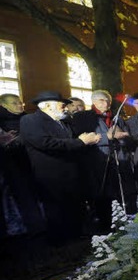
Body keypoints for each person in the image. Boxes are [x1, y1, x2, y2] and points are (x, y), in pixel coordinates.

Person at [20, 91, 101, 245]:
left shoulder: (63, 121)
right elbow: (45, 143)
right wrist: (81, 142)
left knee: (74, 206)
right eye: (62, 104)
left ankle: (77, 236)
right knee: (56, 210)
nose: (65, 107)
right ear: (47, 105)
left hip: (71, 172)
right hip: (51, 174)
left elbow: (70, 142)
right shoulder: (30, 120)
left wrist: (86, 140)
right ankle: (60, 243)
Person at [71, 90, 135, 230]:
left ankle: (123, 225)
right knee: (102, 197)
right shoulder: (83, 117)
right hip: (98, 163)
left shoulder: (117, 118)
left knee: (121, 194)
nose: (105, 103)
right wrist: (108, 137)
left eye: (108, 101)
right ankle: (104, 227)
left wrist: (124, 138)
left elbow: (126, 139)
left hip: (119, 162)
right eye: (101, 100)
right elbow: (82, 138)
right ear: (93, 101)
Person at [0, 93, 45, 236]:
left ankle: (41, 225)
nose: (20, 105)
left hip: (33, 162)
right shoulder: (2, 122)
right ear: (3, 105)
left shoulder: (29, 119)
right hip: (12, 165)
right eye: (14, 103)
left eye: (21, 103)